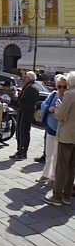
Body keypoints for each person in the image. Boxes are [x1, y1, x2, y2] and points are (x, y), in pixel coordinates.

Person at [44, 71, 75, 206]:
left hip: (67, 135)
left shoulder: (70, 95)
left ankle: (57, 196)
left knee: (62, 167)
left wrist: (56, 110)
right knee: (71, 167)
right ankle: (66, 196)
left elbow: (61, 115)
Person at [38, 74, 67, 186]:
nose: (61, 89)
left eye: (64, 87)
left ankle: (53, 177)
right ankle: (45, 174)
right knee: (48, 153)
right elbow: (44, 104)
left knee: (56, 155)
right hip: (51, 127)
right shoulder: (53, 94)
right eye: (59, 86)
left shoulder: (68, 98)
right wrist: (48, 108)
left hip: (61, 130)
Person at [11, 71, 40, 160]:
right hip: (29, 112)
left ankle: (21, 152)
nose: (24, 78)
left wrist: (17, 96)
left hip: (24, 112)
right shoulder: (35, 87)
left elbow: (22, 99)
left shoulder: (29, 87)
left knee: (21, 132)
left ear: (29, 78)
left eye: (26, 77)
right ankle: (23, 152)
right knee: (26, 132)